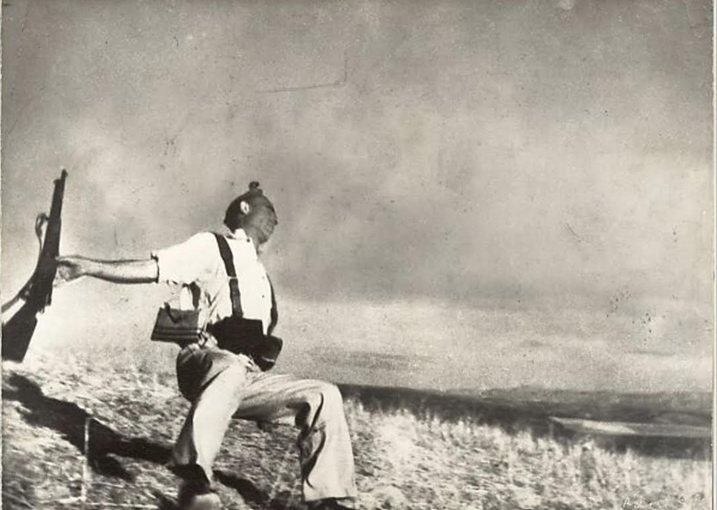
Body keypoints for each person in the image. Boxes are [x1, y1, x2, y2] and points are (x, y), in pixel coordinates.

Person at [56, 182, 358, 510]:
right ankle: (195, 479)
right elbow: (152, 269)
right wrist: (87, 267)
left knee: (324, 394)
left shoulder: (262, 278)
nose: (276, 219)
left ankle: (328, 500)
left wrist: (269, 404)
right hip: (203, 360)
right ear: (245, 208)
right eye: (270, 210)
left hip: (245, 376)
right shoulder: (211, 246)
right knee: (229, 368)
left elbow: (258, 346)